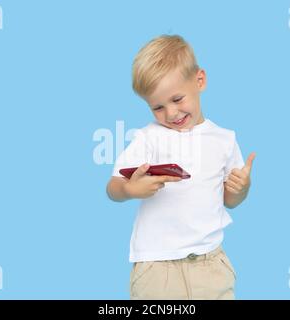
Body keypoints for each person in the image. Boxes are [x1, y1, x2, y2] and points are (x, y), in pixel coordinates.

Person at [106, 34, 255, 299]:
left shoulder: (224, 139)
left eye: (177, 99)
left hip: (210, 265)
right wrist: (130, 189)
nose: (171, 114)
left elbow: (230, 200)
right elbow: (113, 187)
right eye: (158, 107)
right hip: (156, 268)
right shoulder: (148, 138)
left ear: (200, 81)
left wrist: (241, 188)